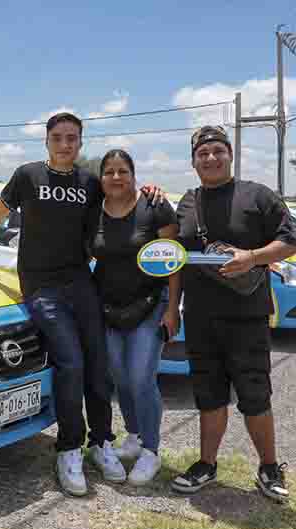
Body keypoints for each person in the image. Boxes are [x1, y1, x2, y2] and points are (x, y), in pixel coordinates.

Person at [0, 112, 161, 496]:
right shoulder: (27, 175)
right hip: (41, 286)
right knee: (71, 362)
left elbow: (121, 199)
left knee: (98, 365)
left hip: (81, 282)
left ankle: (101, 442)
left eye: (73, 138)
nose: (66, 144)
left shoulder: (89, 182)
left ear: (80, 143)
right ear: (47, 141)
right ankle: (68, 448)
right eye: (59, 137)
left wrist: (149, 190)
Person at [171, 125, 296, 502]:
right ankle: (206, 465)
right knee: (208, 395)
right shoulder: (187, 203)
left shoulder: (258, 196)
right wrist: (173, 308)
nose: (210, 158)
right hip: (199, 317)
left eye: (217, 151)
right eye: (202, 153)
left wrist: (253, 257)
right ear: (193, 161)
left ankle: (269, 468)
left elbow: (289, 243)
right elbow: (176, 259)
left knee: (255, 395)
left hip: (247, 316)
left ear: (230, 155)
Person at [90, 149, 181, 485]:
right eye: (109, 171)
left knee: (142, 379)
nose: (116, 177)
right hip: (108, 308)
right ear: (102, 178)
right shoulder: (93, 211)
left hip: (149, 306)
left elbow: (173, 262)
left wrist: (173, 308)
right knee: (121, 378)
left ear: (134, 174)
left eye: (123, 171)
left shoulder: (155, 206)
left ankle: (152, 452)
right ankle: (134, 436)